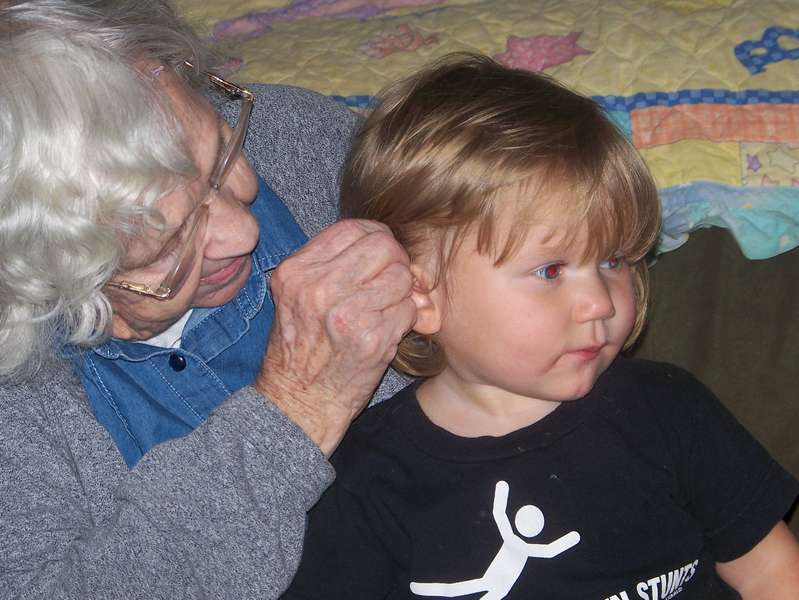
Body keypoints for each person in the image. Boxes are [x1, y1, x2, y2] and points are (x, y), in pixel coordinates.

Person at [283, 53, 799, 599]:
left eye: (613, 260)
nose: (598, 302)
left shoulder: (670, 408)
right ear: (418, 293)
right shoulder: (366, 482)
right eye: (550, 271)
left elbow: (771, 572)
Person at [0, 1, 413, 598]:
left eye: (221, 154)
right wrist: (297, 411)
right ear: (42, 276)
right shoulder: (17, 405)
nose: (244, 231)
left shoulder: (299, 139)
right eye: (170, 242)